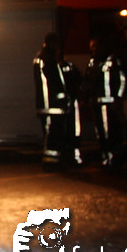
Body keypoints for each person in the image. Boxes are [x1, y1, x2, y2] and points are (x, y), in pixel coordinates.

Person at [33, 33, 79, 169]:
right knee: (53, 134)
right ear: (52, 43)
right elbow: (55, 82)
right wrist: (62, 97)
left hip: (50, 106)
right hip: (52, 106)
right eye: (57, 44)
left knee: (53, 134)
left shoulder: (43, 58)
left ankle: (54, 161)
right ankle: (51, 162)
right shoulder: (48, 59)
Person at [85, 37, 127, 169]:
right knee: (101, 133)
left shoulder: (112, 61)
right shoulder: (92, 63)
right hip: (96, 104)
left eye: (95, 46)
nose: (93, 49)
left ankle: (114, 158)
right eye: (92, 47)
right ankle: (106, 157)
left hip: (110, 104)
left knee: (111, 132)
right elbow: (88, 82)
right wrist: (86, 98)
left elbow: (122, 79)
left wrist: (118, 98)